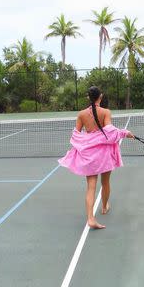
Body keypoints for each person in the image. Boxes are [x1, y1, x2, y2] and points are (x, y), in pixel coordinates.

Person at [58, 86, 134, 229]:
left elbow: (76, 135)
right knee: (105, 183)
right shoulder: (106, 112)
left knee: (91, 188)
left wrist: (84, 146)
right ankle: (104, 207)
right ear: (101, 96)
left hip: (89, 155)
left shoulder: (81, 114)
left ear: (88, 97)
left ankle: (91, 218)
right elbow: (110, 132)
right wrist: (125, 133)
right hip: (104, 154)